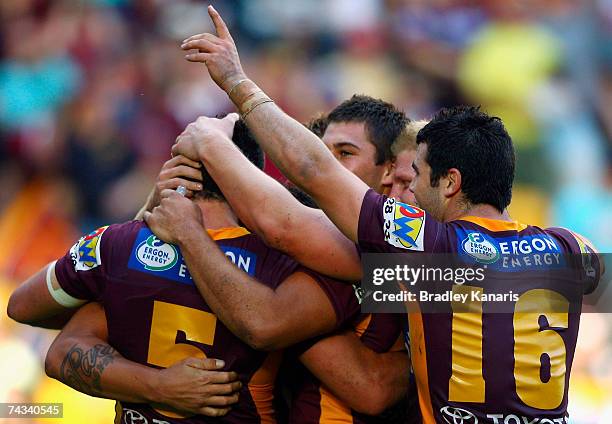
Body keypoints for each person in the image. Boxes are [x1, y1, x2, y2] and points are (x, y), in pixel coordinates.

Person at [154, 6, 603, 423]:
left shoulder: (428, 247)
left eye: (417, 176)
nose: (401, 187)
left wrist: (230, 99)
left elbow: (307, 184)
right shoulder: (565, 249)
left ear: (449, 183)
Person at [8, 119, 407, 422]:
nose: (317, 174)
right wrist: (159, 387)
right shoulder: (295, 267)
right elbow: (56, 344)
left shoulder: (117, 244)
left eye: (343, 155)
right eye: (320, 155)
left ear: (392, 175)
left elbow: (369, 386)